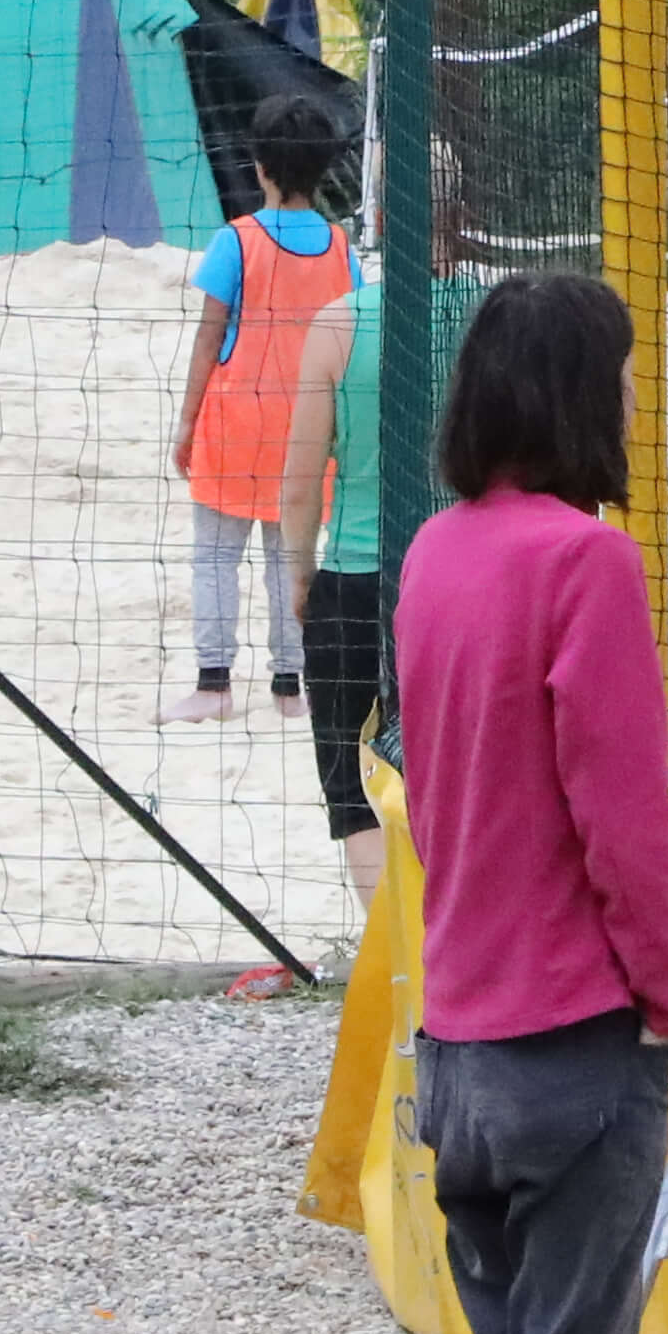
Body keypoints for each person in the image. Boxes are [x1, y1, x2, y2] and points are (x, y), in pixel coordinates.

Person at [378, 271, 668, 1334]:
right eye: (625, 377)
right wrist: (664, 984)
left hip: (459, 1037)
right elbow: (621, 815)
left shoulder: (438, 551)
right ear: (585, 393)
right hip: (574, 1036)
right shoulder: (588, 564)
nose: (638, 404)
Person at [269, 203, 457, 909]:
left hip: (354, 574)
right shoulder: (490, 315)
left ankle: (397, 960)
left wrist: (298, 574)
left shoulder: (338, 324)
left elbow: (299, 482)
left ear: (376, 214)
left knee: (353, 785)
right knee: (454, 773)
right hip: (459, 570)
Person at [169, 108, 356, 720]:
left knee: (216, 556)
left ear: (259, 166)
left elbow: (206, 339)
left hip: (234, 423)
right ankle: (288, 688)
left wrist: (186, 422)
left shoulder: (237, 238)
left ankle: (214, 684)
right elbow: (349, 337)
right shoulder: (339, 246)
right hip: (308, 428)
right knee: (290, 557)